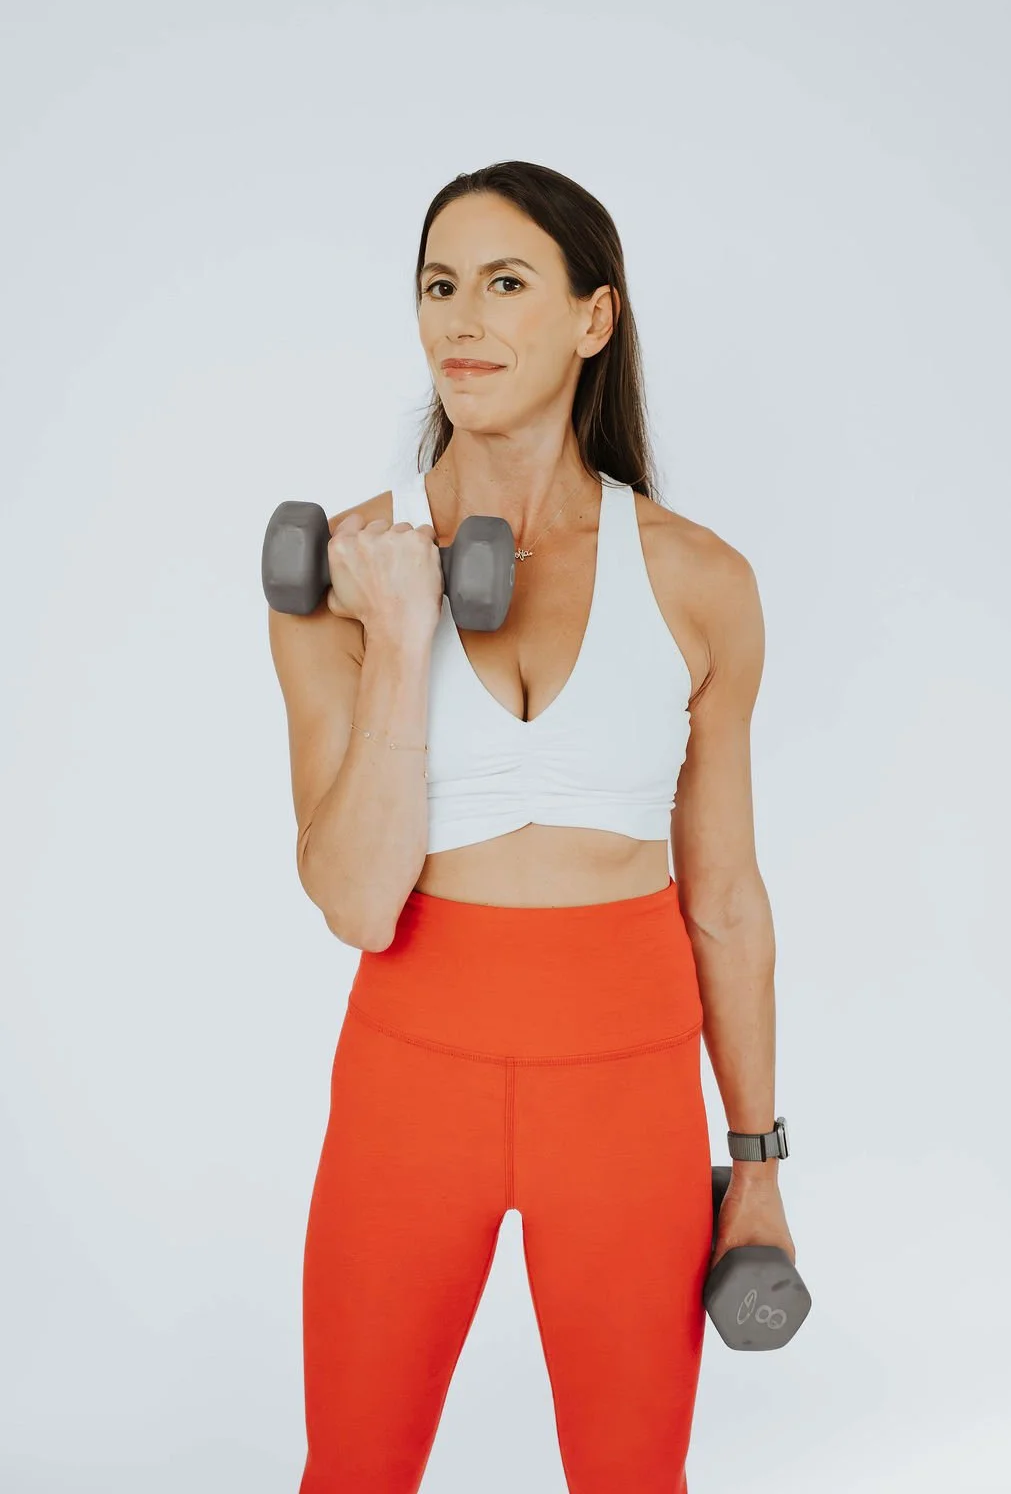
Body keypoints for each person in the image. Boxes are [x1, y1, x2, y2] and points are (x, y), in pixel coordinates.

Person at [268, 160, 795, 1494]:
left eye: (508, 284)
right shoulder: (340, 571)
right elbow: (354, 903)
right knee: (355, 1472)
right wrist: (400, 641)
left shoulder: (697, 581)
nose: (464, 319)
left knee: (632, 1477)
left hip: (625, 1088)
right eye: (441, 285)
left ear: (591, 320)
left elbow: (724, 899)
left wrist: (757, 1164)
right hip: (410, 1077)